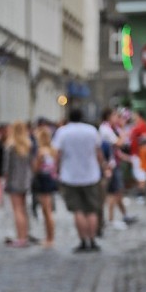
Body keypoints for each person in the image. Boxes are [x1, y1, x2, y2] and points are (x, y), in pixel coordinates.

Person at [52, 108, 104, 253]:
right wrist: (103, 167)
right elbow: (98, 152)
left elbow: (58, 154)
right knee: (92, 209)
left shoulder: (63, 132)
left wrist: (56, 169)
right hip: (91, 174)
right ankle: (92, 240)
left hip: (70, 176)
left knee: (78, 210)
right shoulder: (91, 130)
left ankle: (83, 241)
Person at [2, 120, 33, 247]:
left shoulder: (11, 146)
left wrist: (5, 181)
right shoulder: (27, 145)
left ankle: (20, 238)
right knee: (24, 209)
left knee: (17, 210)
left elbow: (6, 168)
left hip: (14, 181)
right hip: (25, 180)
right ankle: (25, 234)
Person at [32, 125, 59, 246]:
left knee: (46, 211)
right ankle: (49, 236)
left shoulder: (41, 151)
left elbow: (36, 168)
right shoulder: (53, 150)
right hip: (51, 178)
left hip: (43, 179)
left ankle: (50, 238)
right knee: (48, 210)